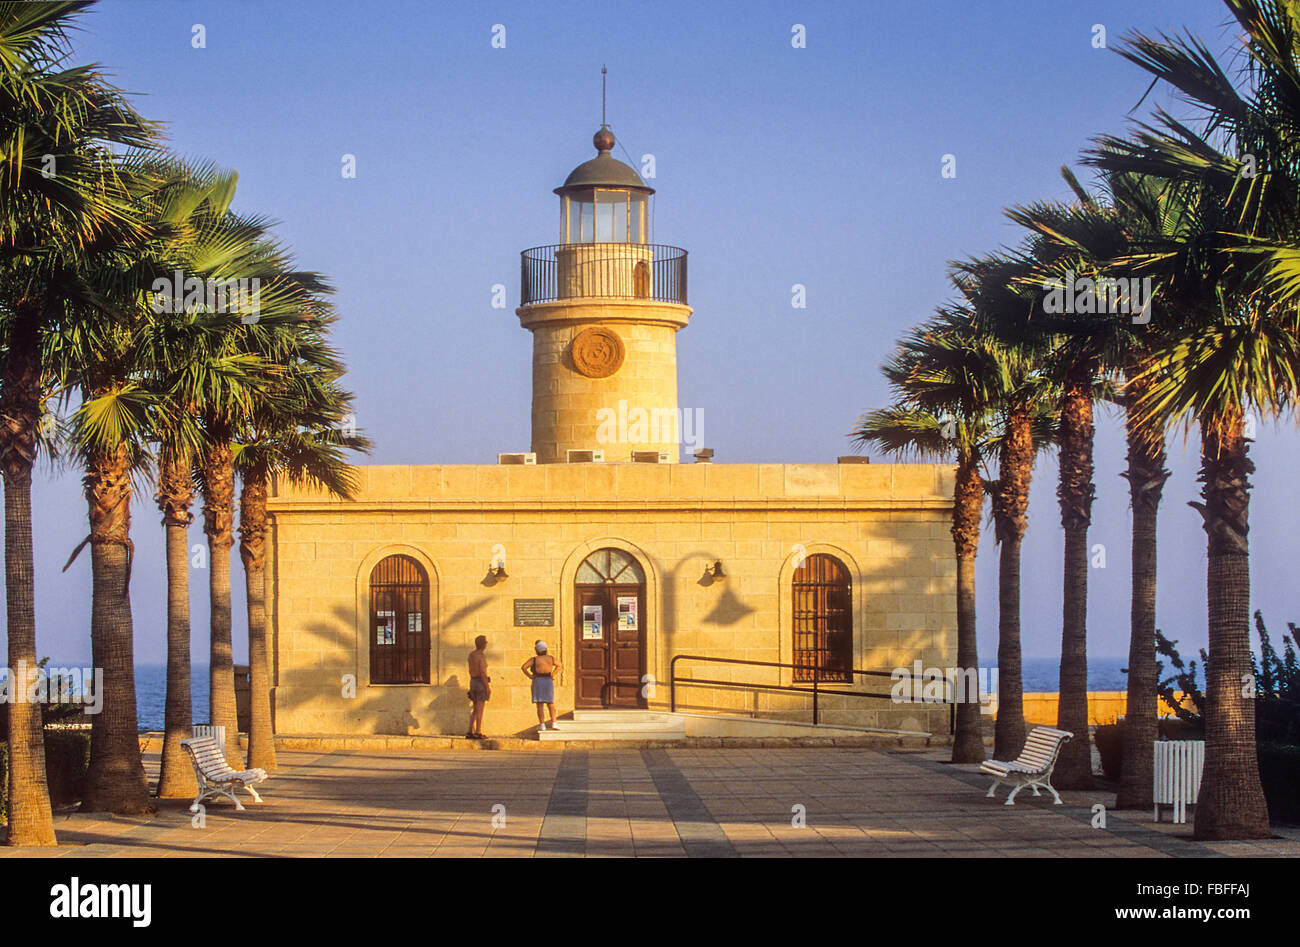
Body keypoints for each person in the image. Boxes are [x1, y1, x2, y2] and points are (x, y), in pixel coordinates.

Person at [522, 640, 562, 732]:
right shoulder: (551, 658)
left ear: (537, 650)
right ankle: (554, 723)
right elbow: (559, 665)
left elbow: (524, 667)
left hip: (538, 681)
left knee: (540, 704)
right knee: (550, 703)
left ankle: (542, 724)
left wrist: (530, 676)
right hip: (548, 680)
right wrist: (553, 674)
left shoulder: (535, 659)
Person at [467, 635, 490, 739]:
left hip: (472, 681)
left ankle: (470, 730)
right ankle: (478, 731)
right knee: (480, 708)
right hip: (480, 682)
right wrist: (487, 687)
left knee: (475, 708)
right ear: (483, 644)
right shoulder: (481, 656)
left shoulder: (471, 655)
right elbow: (482, 671)